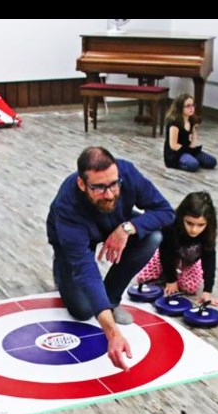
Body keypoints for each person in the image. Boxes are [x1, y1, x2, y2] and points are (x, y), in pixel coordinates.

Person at [47, 146, 175, 370]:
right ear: (81, 184)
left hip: (114, 224)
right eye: (98, 187)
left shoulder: (127, 173)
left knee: (152, 237)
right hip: (71, 237)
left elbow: (166, 212)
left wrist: (128, 228)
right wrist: (112, 333)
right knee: (83, 311)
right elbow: (87, 271)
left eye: (114, 184)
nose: (110, 194)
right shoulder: (67, 206)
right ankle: (62, 268)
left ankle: (111, 299)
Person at [136, 191, 218, 305]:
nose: (194, 230)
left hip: (190, 261)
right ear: (182, 217)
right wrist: (171, 280)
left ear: (208, 223)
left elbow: (209, 260)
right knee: (143, 278)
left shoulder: (208, 233)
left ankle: (178, 275)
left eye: (200, 225)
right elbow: (165, 253)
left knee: (189, 288)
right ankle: (166, 274)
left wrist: (207, 291)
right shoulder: (170, 226)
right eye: (189, 223)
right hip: (168, 256)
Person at [163, 93, 218, 172]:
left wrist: (194, 132)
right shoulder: (174, 123)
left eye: (192, 105)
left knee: (212, 162)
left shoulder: (190, 120)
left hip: (187, 149)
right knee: (193, 165)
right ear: (180, 108)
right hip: (176, 153)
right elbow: (173, 145)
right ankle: (184, 162)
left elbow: (193, 144)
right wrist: (188, 150)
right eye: (188, 106)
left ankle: (191, 159)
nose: (191, 108)